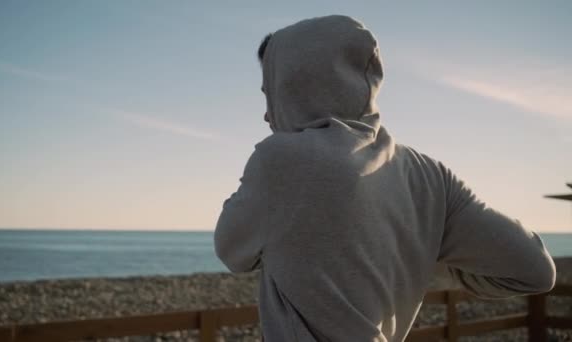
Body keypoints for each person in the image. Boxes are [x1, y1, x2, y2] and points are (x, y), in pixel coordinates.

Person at [213, 15, 556, 342]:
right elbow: (535, 270)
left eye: (269, 94)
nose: (266, 113)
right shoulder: (430, 176)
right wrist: (422, 254)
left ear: (295, 87)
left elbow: (232, 251)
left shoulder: (280, 158)